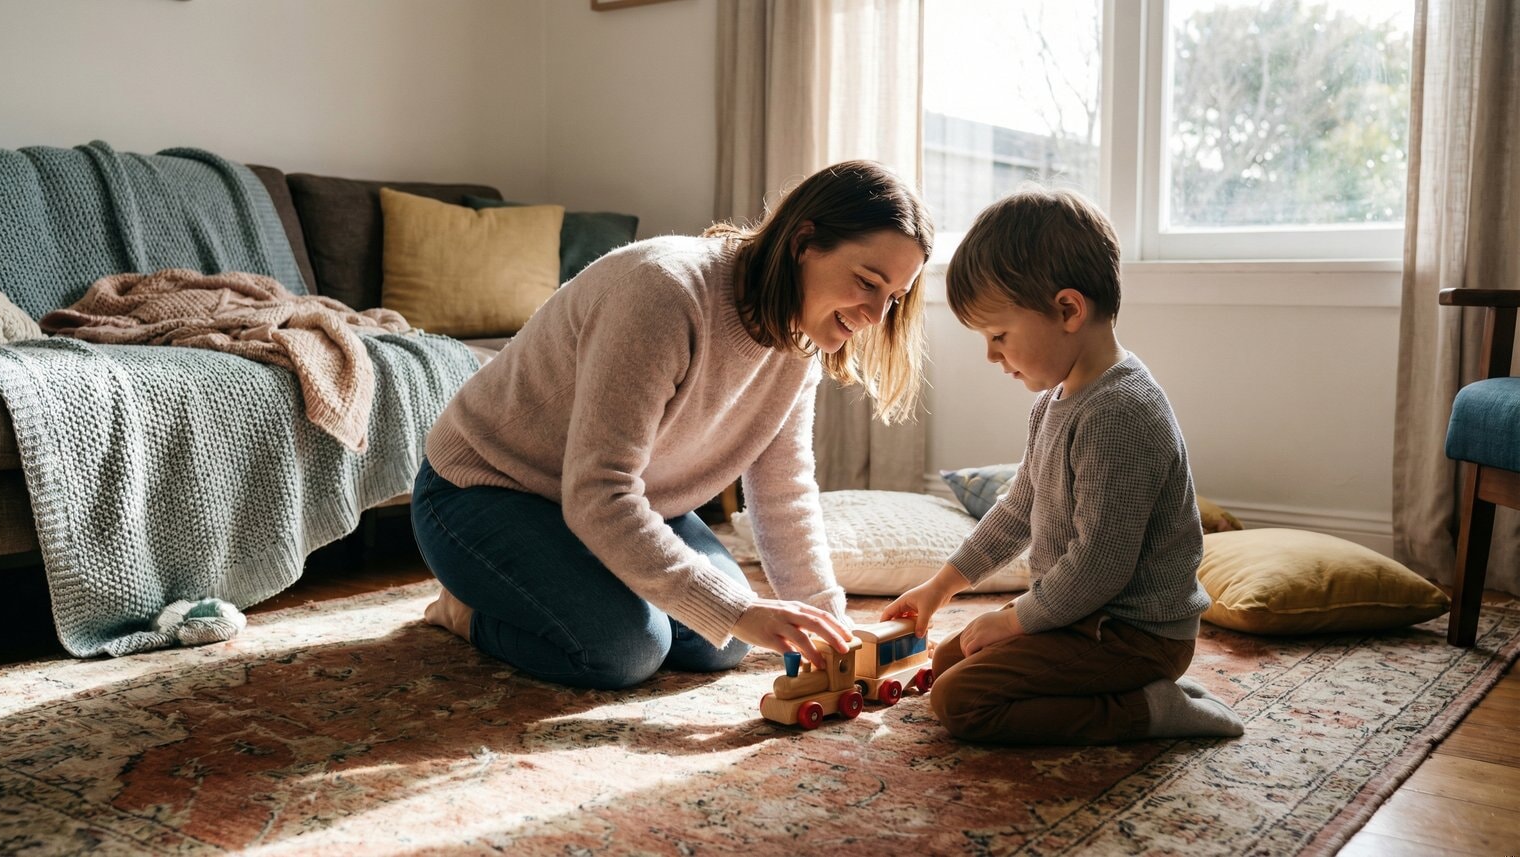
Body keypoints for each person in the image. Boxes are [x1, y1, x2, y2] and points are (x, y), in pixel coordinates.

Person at [412, 160, 933, 690]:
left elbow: (784, 494)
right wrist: (734, 608)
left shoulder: (800, 341)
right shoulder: (663, 292)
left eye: (892, 298)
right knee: (626, 649)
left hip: (628, 502)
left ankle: (572, 583)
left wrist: (828, 623)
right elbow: (599, 491)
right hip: (485, 490)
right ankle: (465, 610)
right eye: (866, 282)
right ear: (804, 241)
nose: (874, 314)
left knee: (726, 641)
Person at [881, 187, 1244, 745]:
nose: (991, 356)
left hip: (1131, 636)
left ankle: (1149, 708)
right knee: (951, 659)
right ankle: (1111, 690)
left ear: (1068, 310)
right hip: (1083, 617)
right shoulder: (1054, 404)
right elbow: (1019, 509)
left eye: (999, 336)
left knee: (962, 701)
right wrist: (941, 586)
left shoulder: (1121, 414)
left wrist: (1012, 619)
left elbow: (1099, 566)